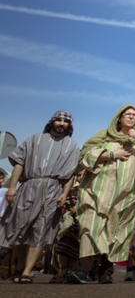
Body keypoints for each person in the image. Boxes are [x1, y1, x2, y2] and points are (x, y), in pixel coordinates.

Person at [67, 105, 135, 284]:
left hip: (126, 196)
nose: (131, 117)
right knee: (91, 227)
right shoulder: (104, 135)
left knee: (116, 231)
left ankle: (105, 272)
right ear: (119, 117)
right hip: (98, 193)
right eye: (128, 114)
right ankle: (81, 270)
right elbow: (84, 157)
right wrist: (111, 153)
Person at [0, 110, 80, 284]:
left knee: (41, 229)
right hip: (29, 186)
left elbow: (69, 174)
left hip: (53, 189)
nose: (61, 123)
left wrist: (64, 194)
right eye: (58, 120)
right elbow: (19, 163)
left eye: (65, 121)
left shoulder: (71, 146)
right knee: (20, 227)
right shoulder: (34, 139)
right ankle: (20, 266)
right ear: (51, 122)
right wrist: (12, 187)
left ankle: (27, 271)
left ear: (69, 125)